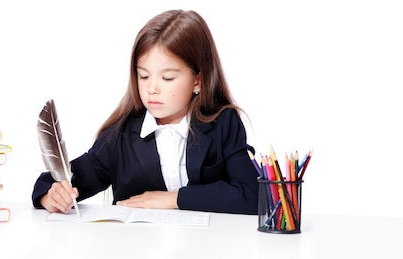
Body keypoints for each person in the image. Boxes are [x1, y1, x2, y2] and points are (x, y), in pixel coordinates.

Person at [31, 9, 259, 215]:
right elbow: (55, 180)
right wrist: (50, 195)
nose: (152, 88)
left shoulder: (224, 124)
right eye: (143, 76)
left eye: (167, 77)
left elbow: (252, 194)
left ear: (197, 80)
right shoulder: (120, 134)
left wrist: (175, 199)